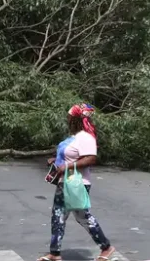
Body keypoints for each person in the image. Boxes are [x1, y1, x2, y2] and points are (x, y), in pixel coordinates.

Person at [40, 103, 115, 261]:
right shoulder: (74, 137)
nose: (67, 119)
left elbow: (90, 158)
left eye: (69, 117)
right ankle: (55, 253)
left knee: (82, 217)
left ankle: (106, 247)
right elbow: (73, 155)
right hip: (65, 181)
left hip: (77, 183)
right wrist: (56, 159)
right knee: (59, 216)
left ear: (76, 120)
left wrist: (67, 165)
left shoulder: (86, 138)